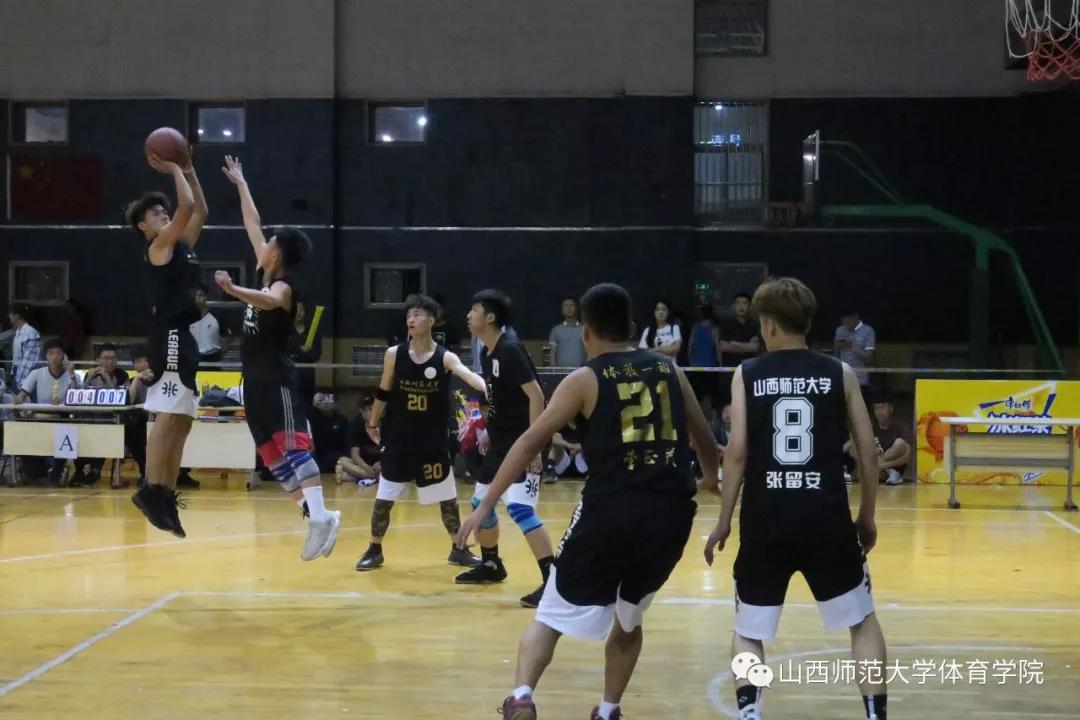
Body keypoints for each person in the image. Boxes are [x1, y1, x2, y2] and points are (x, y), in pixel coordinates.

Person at [458, 283, 716, 720]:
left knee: (549, 615)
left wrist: (485, 505)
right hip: (670, 514)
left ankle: (522, 696)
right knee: (629, 620)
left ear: (586, 332)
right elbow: (705, 441)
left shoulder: (585, 378)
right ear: (631, 326)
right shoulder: (670, 370)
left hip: (610, 510)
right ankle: (609, 709)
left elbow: (529, 442)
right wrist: (711, 482)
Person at [703, 277, 888, 720]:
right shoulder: (840, 373)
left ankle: (750, 713)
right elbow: (867, 452)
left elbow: (737, 454)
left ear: (768, 324)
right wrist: (866, 516)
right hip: (826, 517)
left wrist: (724, 520)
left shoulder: (747, 374)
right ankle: (875, 715)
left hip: (765, 520)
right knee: (862, 622)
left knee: (748, 629)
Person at [216, 154, 340, 561]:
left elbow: (267, 302)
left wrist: (233, 291)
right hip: (253, 383)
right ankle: (322, 516)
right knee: (275, 462)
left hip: (277, 380)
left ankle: (320, 519)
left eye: (270, 242)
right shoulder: (264, 269)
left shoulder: (283, 287)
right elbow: (252, 222)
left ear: (278, 255)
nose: (264, 241)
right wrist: (241, 183)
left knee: (295, 449)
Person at [355, 294, 487, 571]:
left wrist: (489, 387)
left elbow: (467, 374)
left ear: (431, 320)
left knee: (447, 498)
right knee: (385, 497)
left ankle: (458, 550)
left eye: (417, 315)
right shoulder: (395, 354)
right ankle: (374, 549)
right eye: (409, 315)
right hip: (398, 438)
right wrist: (373, 422)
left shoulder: (445, 357)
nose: (411, 320)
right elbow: (383, 391)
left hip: (433, 441)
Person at [125, 144, 207, 538]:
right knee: (167, 414)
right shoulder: (158, 246)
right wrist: (176, 167)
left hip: (184, 335)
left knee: (183, 420)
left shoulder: (180, 246)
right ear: (144, 227)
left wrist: (189, 170)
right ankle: (150, 488)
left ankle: (166, 494)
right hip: (169, 334)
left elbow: (199, 210)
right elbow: (186, 207)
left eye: (164, 211)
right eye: (156, 213)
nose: (164, 214)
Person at [455, 289, 556, 609]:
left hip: (525, 443)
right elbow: (497, 399)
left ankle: (552, 582)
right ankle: (491, 564)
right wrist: (487, 430)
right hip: (500, 443)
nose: (468, 315)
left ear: (490, 317)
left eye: (474, 309)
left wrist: (535, 447)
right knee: (479, 503)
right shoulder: (489, 353)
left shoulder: (510, 349)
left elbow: (537, 396)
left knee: (521, 510)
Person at [13, 338, 82, 485]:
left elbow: (77, 399)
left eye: (58, 353)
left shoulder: (73, 376)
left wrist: (71, 374)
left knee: (66, 433)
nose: (54, 357)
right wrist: (18, 399)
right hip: (39, 419)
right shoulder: (37, 373)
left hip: (63, 419)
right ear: (46, 356)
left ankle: (58, 469)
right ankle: (42, 470)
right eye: (51, 353)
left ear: (64, 356)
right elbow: (21, 396)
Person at [76, 343, 130, 487]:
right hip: (91, 417)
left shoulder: (122, 375)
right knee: (78, 429)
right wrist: (88, 379)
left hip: (112, 419)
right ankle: (79, 471)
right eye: (106, 358)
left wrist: (107, 379)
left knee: (105, 431)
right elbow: (80, 396)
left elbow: (122, 399)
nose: (110, 362)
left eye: (113, 358)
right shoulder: (90, 374)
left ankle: (95, 471)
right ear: (98, 360)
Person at [336, 396, 381, 485]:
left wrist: (381, 462)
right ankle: (373, 477)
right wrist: (367, 468)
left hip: (379, 464)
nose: (373, 412)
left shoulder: (384, 424)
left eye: (375, 409)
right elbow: (355, 456)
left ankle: (353, 476)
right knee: (342, 460)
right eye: (369, 409)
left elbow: (390, 451)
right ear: (361, 411)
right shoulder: (355, 425)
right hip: (362, 464)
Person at [126, 346, 154, 486]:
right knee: (131, 430)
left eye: (145, 361)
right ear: (134, 365)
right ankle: (144, 472)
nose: (142, 365)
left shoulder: (161, 379)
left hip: (160, 420)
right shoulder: (133, 380)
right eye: (138, 362)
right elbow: (129, 401)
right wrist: (137, 379)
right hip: (141, 422)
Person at [688, 304, 723, 413]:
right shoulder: (714, 329)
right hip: (711, 367)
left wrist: (691, 362)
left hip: (695, 367)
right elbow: (717, 348)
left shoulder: (695, 327)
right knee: (712, 395)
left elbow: (690, 347)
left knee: (698, 396)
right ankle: (711, 418)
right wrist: (721, 365)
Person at [719, 292, 761, 368]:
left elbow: (756, 347)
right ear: (733, 306)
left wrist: (735, 344)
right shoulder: (726, 323)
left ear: (750, 306)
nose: (741, 307)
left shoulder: (755, 324)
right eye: (738, 303)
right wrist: (749, 347)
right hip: (730, 367)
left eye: (744, 303)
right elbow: (723, 347)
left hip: (749, 367)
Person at [548, 297, 587, 369]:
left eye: (571, 305)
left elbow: (590, 352)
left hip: (581, 371)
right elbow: (552, 354)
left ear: (577, 309)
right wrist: (553, 370)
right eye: (565, 306)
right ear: (562, 311)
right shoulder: (556, 330)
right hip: (561, 372)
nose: (569, 308)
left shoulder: (585, 329)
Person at [190, 284, 222, 363]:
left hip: (213, 360)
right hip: (193, 360)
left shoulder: (216, 317)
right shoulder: (187, 319)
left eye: (201, 295)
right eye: (195, 296)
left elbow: (227, 340)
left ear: (206, 297)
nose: (198, 298)